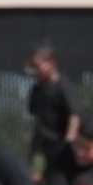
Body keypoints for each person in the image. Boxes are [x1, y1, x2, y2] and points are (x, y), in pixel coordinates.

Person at [25, 44, 79, 174]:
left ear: (52, 63)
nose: (35, 71)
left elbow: (74, 116)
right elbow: (35, 118)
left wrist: (68, 143)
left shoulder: (63, 87)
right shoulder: (36, 90)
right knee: (35, 176)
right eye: (33, 67)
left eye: (37, 66)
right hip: (41, 146)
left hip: (59, 144)